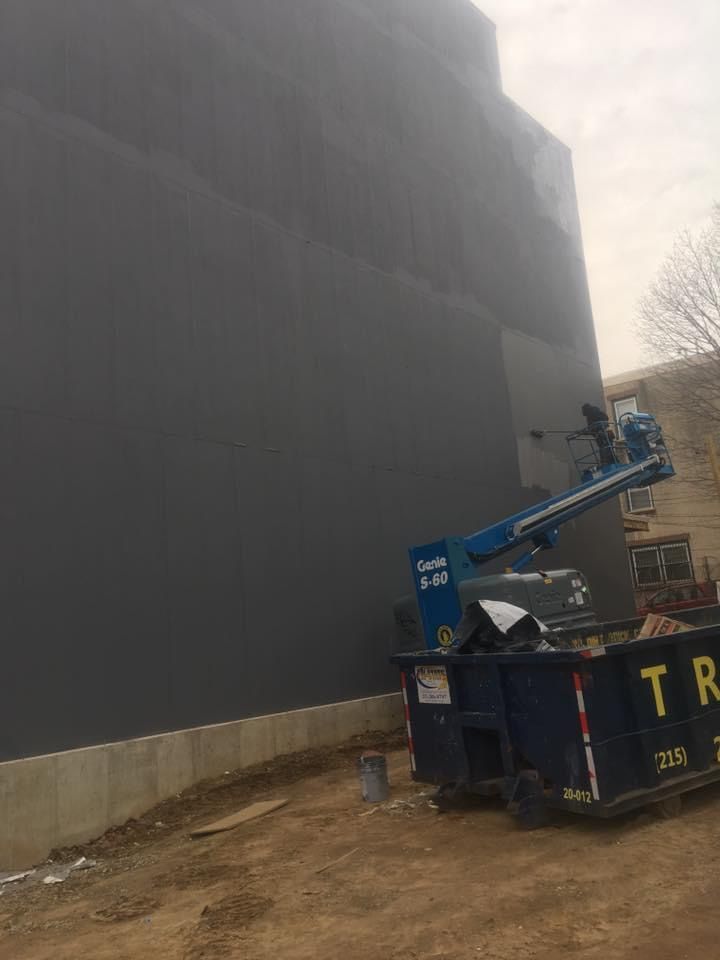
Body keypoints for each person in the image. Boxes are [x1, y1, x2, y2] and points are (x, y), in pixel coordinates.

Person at [581, 402, 615, 467]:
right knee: (608, 453)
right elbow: (592, 429)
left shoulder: (592, 413)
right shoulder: (593, 413)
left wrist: (586, 431)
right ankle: (609, 463)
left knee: (606, 454)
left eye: (583, 411)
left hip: (603, 437)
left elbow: (594, 427)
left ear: (586, 409)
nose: (582, 413)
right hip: (602, 437)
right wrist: (584, 432)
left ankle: (607, 464)